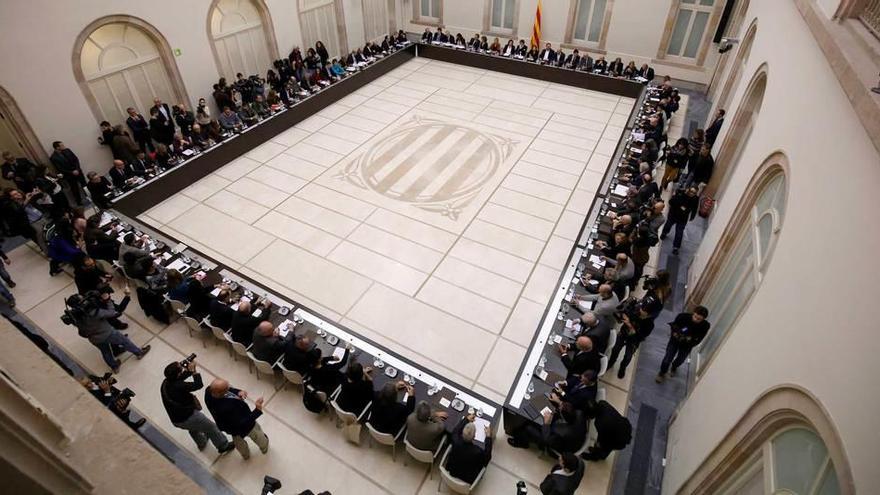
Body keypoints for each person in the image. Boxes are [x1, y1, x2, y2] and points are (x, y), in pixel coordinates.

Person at [161, 359, 235, 454]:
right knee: (210, 426)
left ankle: (201, 442)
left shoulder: (166, 382)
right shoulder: (179, 386)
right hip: (188, 417)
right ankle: (223, 446)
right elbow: (198, 385)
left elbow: (179, 378)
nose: (183, 367)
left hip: (176, 419)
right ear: (178, 374)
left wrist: (189, 371)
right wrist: (194, 372)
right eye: (181, 368)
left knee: (193, 428)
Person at [70, 288, 151, 372]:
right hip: (107, 333)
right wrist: (108, 300)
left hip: (94, 339)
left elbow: (81, 332)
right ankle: (139, 353)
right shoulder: (93, 312)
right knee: (125, 341)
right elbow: (112, 313)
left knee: (106, 352)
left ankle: (114, 366)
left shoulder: (75, 317)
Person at [204, 379, 268, 459]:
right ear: (223, 392)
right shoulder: (227, 408)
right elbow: (243, 423)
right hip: (245, 426)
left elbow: (228, 391)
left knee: (239, 443)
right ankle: (264, 447)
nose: (230, 387)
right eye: (228, 388)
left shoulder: (209, 392)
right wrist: (257, 410)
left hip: (231, 429)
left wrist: (238, 392)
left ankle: (245, 455)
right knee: (259, 436)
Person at [507, 402, 586, 454]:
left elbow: (546, 439)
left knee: (528, 427)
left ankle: (522, 443)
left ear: (563, 416)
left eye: (559, 409)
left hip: (562, 446)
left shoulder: (560, 433)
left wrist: (546, 423)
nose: (558, 408)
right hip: (574, 437)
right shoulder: (580, 413)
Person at [656, 306, 711, 382]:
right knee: (667, 358)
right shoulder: (683, 316)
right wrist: (675, 333)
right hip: (675, 340)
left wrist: (690, 341)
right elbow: (674, 325)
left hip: (687, 345)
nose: (696, 319)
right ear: (693, 313)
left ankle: (674, 366)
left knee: (680, 360)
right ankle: (662, 373)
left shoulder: (705, 326)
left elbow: (700, 338)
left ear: (703, 319)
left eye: (699, 319)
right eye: (695, 316)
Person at [607, 306, 654, 379]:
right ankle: (611, 362)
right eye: (642, 308)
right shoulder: (635, 312)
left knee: (628, 357)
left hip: (634, 340)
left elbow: (640, 336)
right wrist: (621, 315)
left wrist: (629, 325)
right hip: (624, 333)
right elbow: (621, 317)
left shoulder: (649, 325)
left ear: (648, 314)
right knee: (615, 349)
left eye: (643, 310)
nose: (641, 309)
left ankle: (622, 367)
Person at [446, 414, 492, 484]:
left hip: (452, 470)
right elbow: (487, 457)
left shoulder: (455, 440)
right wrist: (488, 437)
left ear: (461, 433)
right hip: (468, 478)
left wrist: (466, 419)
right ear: (474, 437)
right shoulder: (478, 452)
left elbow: (456, 430)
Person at [661, 186, 699, 255]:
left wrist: (692, 216)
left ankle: (676, 247)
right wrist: (681, 206)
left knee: (679, 233)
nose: (692, 194)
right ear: (688, 190)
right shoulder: (680, 194)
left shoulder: (695, 199)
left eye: (694, 193)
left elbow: (694, 208)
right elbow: (671, 202)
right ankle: (664, 233)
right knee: (668, 225)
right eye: (691, 191)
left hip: (682, 218)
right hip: (673, 214)